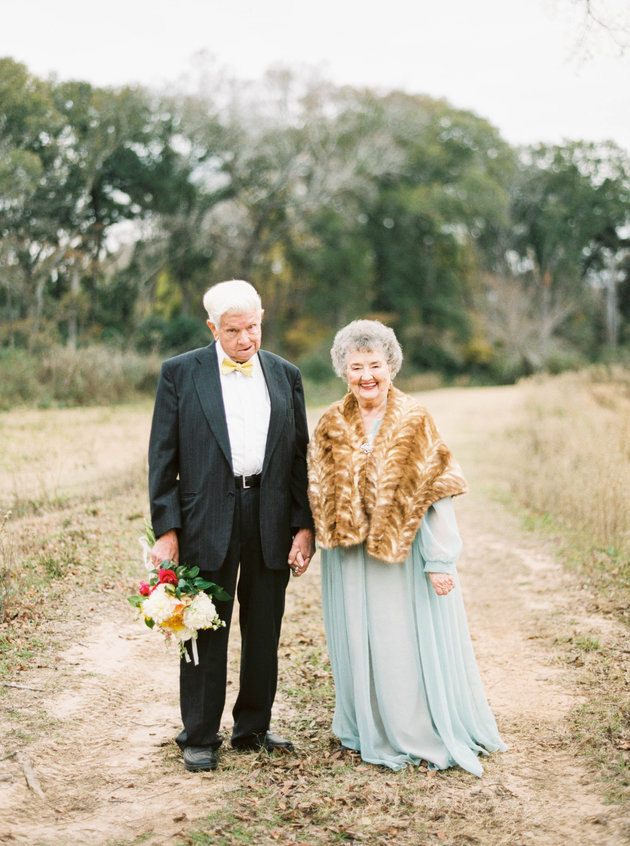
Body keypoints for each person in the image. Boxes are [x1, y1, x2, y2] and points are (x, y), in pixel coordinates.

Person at [307, 319, 505, 776]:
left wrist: (439, 561)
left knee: (400, 640)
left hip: (403, 555)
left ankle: (412, 727)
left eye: (375, 364)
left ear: (391, 365)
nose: (366, 375)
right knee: (359, 637)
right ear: (344, 370)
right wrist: (309, 540)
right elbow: (315, 488)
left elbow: (436, 495)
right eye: (356, 366)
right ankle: (369, 726)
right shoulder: (331, 422)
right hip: (349, 558)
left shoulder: (415, 418)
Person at [148, 279, 315, 772]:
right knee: (203, 627)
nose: (246, 339)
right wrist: (167, 530)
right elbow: (163, 457)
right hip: (205, 519)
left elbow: (299, 458)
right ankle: (199, 734)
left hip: (270, 515)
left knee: (264, 627)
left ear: (262, 317)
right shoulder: (180, 373)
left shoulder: (287, 375)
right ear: (212, 328)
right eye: (233, 330)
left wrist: (304, 527)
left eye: (253, 327)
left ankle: (253, 728)